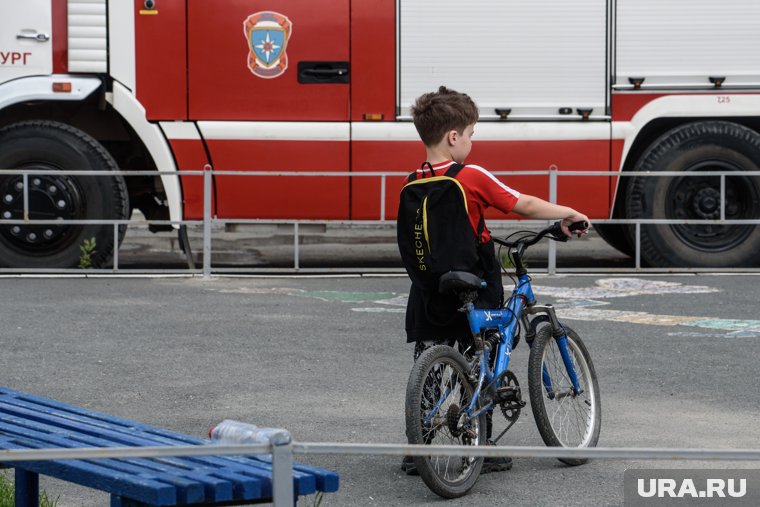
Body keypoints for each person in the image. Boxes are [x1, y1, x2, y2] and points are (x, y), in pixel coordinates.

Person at [400, 86, 589, 475]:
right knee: (482, 355)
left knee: (431, 362)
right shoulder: (468, 174)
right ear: (454, 137)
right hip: (475, 284)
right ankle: (481, 448)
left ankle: (417, 448)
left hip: (429, 290)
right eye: (470, 134)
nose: (471, 141)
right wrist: (568, 212)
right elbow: (522, 203)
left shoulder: (413, 180)